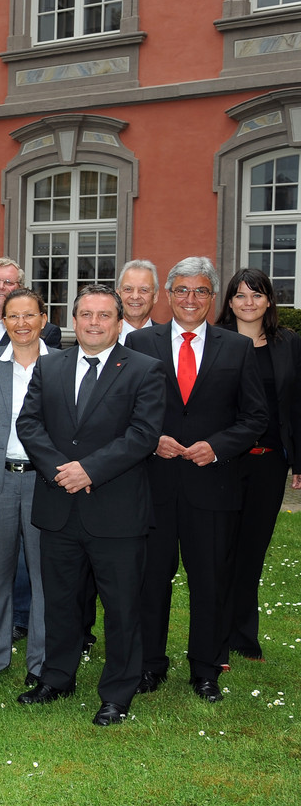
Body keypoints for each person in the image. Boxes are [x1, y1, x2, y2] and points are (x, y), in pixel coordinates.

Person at [15, 285, 166, 726]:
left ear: (119, 323)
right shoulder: (50, 365)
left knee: (122, 608)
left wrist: (90, 470)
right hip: (60, 506)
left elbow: (142, 434)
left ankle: (118, 693)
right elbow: (29, 422)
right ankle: (56, 678)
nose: (93, 323)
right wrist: (64, 468)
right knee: (60, 602)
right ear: (73, 320)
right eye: (85, 315)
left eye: (103, 315)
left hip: (116, 512)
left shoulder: (144, 370)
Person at [125, 256, 267, 703]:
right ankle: (150, 666)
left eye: (201, 291)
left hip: (213, 485)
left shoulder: (236, 348)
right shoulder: (140, 343)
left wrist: (219, 446)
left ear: (211, 298)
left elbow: (255, 417)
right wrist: (152, 439)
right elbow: (122, 409)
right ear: (168, 295)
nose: (190, 299)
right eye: (182, 290)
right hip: (155, 484)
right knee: (151, 582)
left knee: (210, 582)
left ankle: (206, 670)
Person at [0, 257, 59, 641]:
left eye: (29, 316)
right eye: (13, 316)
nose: (21, 324)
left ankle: (40, 658)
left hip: (44, 483)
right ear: (3, 321)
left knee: (42, 573)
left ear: (43, 319)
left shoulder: (62, 365)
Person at [216, 268, 301, 661]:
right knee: (218, 551)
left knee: (252, 551)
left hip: (268, 464)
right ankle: (214, 635)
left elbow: (296, 407)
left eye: (257, 295)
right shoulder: (214, 343)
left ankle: (243, 636)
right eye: (240, 295)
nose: (248, 303)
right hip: (222, 463)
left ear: (269, 301)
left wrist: (297, 461)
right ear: (229, 301)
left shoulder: (289, 345)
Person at [117, 259, 160, 342]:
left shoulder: (168, 339)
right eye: (128, 289)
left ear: (155, 296)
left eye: (143, 290)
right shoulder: (103, 337)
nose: (135, 296)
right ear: (118, 294)